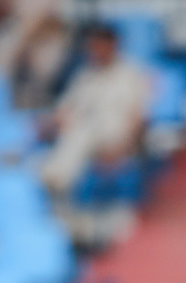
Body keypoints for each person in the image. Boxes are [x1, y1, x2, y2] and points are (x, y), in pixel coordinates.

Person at [38, 22, 150, 198]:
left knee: (82, 133)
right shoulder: (85, 75)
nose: (94, 51)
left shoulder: (131, 74)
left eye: (98, 46)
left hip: (114, 135)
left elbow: (139, 118)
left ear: (112, 45)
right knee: (75, 131)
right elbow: (64, 108)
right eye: (91, 47)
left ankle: (53, 182)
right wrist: (55, 123)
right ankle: (51, 183)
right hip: (81, 132)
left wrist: (124, 150)